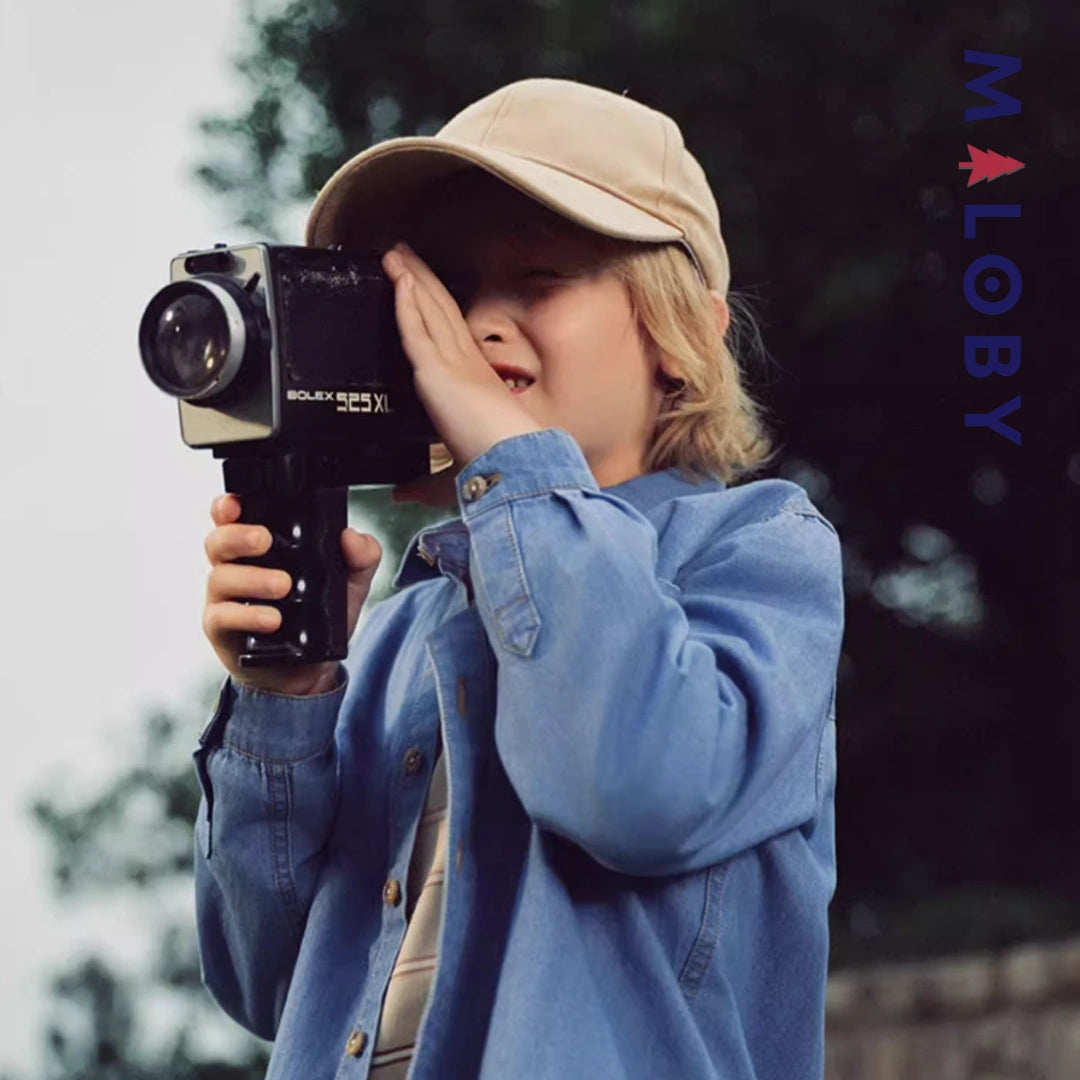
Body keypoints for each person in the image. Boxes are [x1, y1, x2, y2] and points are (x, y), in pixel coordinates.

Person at [194, 77, 845, 1080]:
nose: (480, 327)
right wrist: (285, 699)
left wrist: (513, 458)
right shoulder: (408, 629)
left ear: (685, 330)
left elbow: (630, 789)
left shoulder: (759, 553)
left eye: (538, 279)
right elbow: (268, 982)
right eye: (449, 292)